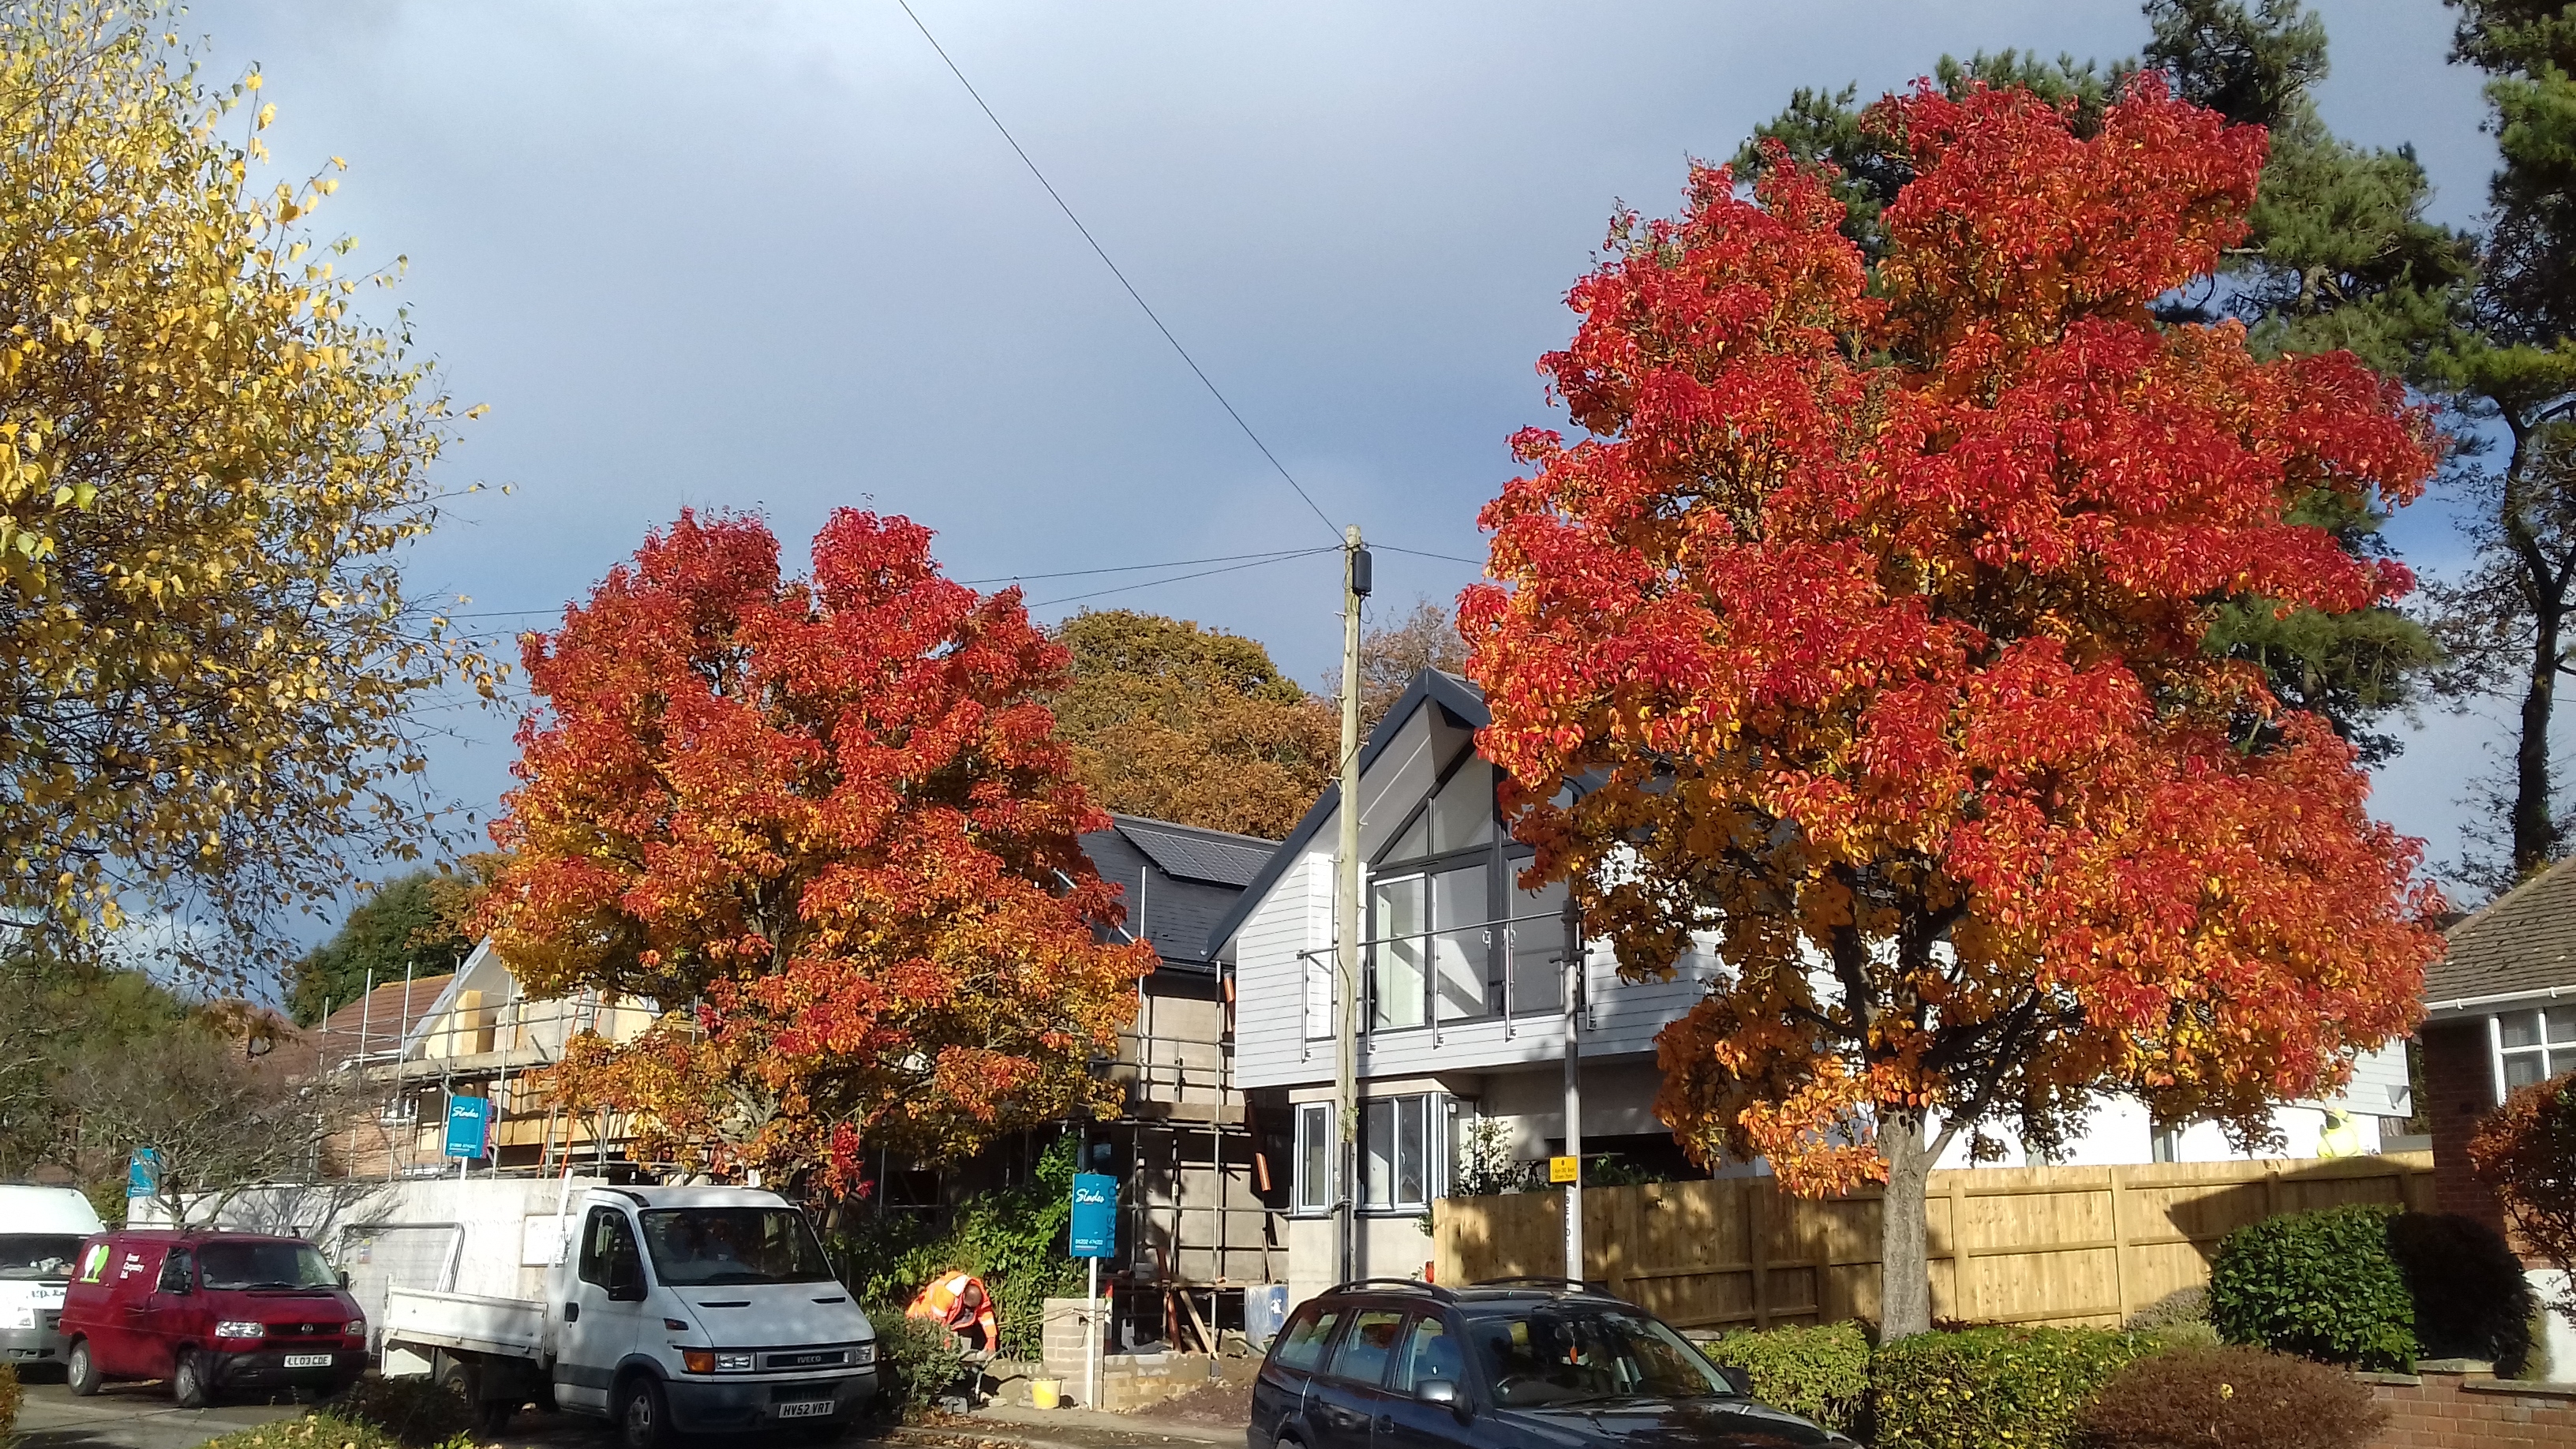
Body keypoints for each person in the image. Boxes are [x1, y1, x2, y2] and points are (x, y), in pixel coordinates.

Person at [906, 1271, 998, 1359]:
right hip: (923, 1318)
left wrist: (991, 1339)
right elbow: (937, 1321)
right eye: (968, 1307)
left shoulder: (978, 1292)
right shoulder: (946, 1295)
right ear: (963, 1297)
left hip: (943, 1318)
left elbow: (986, 1314)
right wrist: (945, 1339)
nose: (970, 1310)